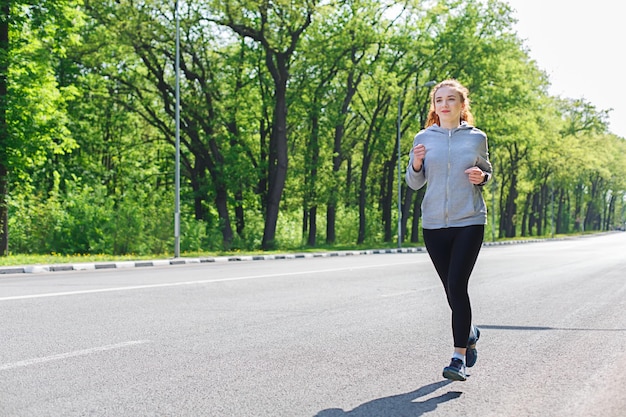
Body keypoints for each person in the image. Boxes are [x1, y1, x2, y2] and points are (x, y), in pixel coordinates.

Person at [405, 79, 492, 382]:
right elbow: (414, 183)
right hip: (433, 224)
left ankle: (458, 358)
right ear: (434, 106)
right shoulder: (424, 137)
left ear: (461, 105)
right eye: (439, 99)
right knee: (449, 290)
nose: (444, 104)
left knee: (457, 285)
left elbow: (486, 170)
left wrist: (481, 177)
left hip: (469, 219)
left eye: (451, 99)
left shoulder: (476, 138)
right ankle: (469, 332)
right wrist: (416, 164)